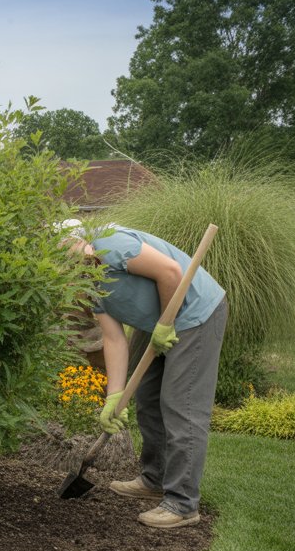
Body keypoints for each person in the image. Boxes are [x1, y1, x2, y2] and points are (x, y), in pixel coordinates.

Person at [62, 221, 227, 529]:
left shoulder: (111, 244)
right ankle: (155, 479)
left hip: (194, 315)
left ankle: (182, 503)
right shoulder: (88, 283)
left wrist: (167, 323)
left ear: (78, 243)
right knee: (147, 399)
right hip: (157, 322)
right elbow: (113, 339)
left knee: (182, 405)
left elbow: (170, 272)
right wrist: (114, 396)